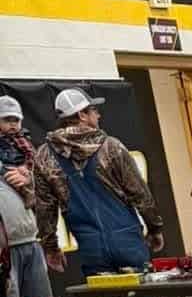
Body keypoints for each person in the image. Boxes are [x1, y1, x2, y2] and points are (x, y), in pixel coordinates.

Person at [31, 87, 162, 281]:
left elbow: (45, 209)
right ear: (82, 115)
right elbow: (140, 194)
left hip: (90, 246)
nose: (98, 115)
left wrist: (50, 248)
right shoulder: (111, 146)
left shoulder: (44, 155)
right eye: (94, 110)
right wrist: (154, 228)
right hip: (127, 241)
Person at [0, 97, 50, 297]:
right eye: (6, 119)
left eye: (16, 119)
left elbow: (48, 193)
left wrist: (29, 179)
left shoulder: (28, 151)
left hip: (32, 240)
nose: (12, 125)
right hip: (6, 249)